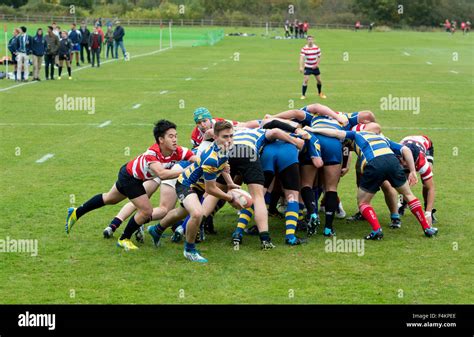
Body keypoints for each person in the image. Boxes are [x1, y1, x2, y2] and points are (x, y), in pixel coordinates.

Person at [65, 120, 189, 252]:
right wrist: (186, 171)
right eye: (171, 136)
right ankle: (124, 238)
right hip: (130, 178)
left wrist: (202, 161)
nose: (175, 139)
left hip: (129, 172)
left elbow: (195, 158)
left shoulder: (177, 151)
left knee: (109, 199)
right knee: (146, 211)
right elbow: (162, 174)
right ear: (161, 139)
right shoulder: (152, 153)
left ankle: (76, 212)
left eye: (176, 136)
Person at [306, 124, 438, 240]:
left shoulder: (356, 134)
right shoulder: (383, 138)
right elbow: (406, 150)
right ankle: (427, 228)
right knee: (409, 195)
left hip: (374, 163)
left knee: (363, 202)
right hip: (392, 161)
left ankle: (377, 230)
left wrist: (313, 129)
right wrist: (413, 171)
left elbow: (335, 133)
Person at [147, 121, 242, 263]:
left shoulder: (224, 148)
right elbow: (211, 189)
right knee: (197, 213)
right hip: (186, 183)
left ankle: (156, 230)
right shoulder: (211, 158)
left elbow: (223, 166)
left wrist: (230, 183)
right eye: (225, 137)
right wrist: (229, 198)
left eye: (231, 136)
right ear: (215, 137)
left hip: (197, 183)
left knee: (181, 212)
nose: (229, 140)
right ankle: (189, 250)